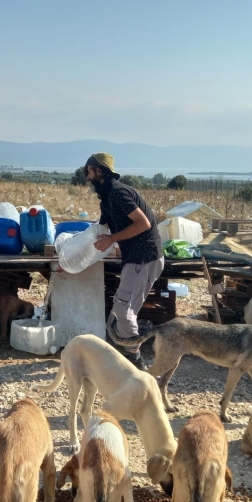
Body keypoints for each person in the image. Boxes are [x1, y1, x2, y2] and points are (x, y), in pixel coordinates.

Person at [84, 152, 164, 371]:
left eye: (89, 171)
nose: (87, 177)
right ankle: (129, 354)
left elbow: (143, 223)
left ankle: (136, 361)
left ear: (99, 170)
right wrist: (75, 252)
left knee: (123, 309)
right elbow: (101, 229)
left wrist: (112, 239)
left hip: (144, 257)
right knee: (123, 309)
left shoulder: (119, 193)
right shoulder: (107, 197)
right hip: (135, 258)